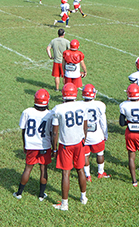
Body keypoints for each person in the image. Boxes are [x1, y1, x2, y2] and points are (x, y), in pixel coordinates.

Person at [51, 83, 89, 211]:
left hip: (66, 144)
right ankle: (83, 197)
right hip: (79, 142)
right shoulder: (82, 106)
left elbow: (55, 132)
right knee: (80, 170)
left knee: (66, 173)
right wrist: (84, 139)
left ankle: (65, 204)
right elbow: (85, 126)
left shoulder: (58, 109)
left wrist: (54, 148)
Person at [14, 89, 53, 201]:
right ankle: (41, 195)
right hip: (44, 145)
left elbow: (23, 130)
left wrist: (25, 144)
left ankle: (19, 193)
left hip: (31, 144)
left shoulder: (27, 112)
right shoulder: (50, 114)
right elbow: (52, 132)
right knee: (43, 169)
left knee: (28, 169)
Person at [81, 84, 110, 181]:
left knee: (85, 155)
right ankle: (100, 172)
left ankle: (87, 175)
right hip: (97, 134)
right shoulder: (100, 105)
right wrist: (105, 134)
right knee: (100, 153)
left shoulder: (78, 105)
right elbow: (103, 121)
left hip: (83, 134)